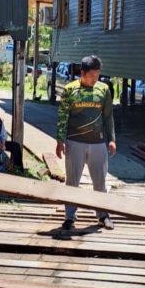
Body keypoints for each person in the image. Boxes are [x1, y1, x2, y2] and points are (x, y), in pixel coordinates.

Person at [56, 55, 116, 231]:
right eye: (92, 75)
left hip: (98, 143)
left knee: (100, 181)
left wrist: (111, 139)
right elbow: (62, 117)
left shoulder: (103, 90)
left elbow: (108, 116)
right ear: (82, 73)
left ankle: (103, 215)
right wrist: (60, 140)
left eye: (97, 75)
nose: (95, 78)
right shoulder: (69, 90)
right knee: (72, 181)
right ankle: (69, 217)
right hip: (75, 142)